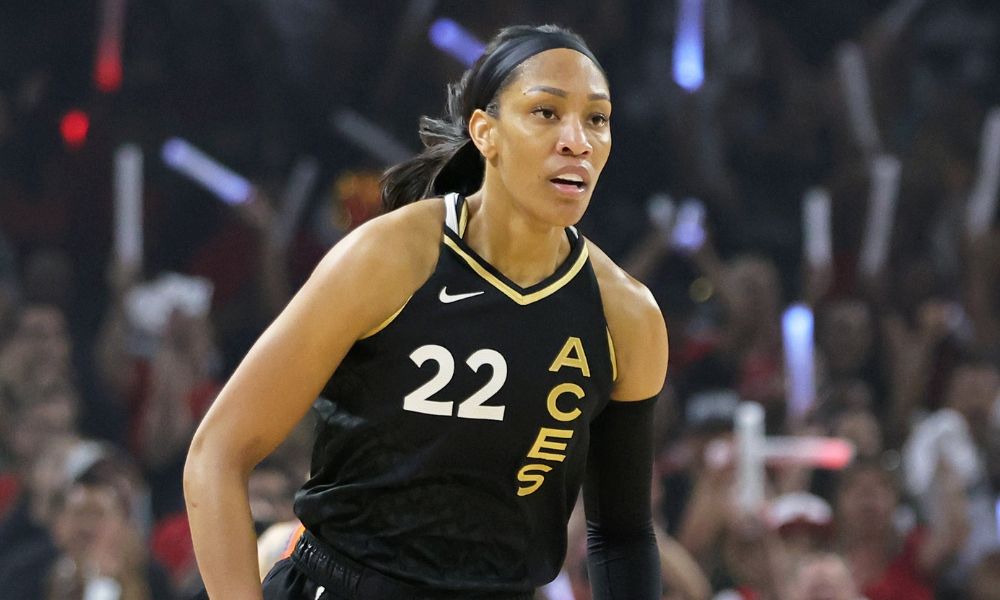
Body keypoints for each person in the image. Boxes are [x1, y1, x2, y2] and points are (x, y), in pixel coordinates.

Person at [184, 24, 668, 599]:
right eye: (545, 112)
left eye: (597, 118)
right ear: (485, 132)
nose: (577, 140)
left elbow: (621, 536)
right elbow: (217, 453)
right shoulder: (391, 256)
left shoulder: (626, 316)